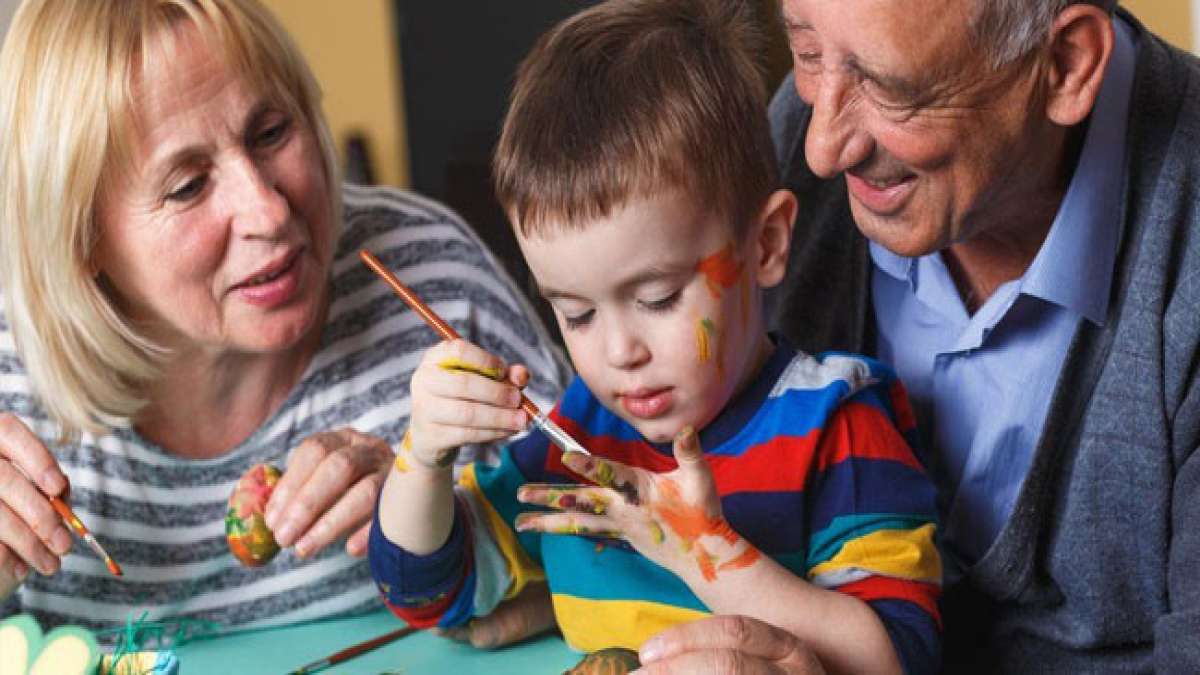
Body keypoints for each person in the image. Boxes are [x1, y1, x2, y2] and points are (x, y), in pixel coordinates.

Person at [368, 1, 942, 673]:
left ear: (766, 244)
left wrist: (707, 550)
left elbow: (898, 658)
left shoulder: (837, 429)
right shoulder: (579, 437)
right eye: (576, 314)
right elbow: (433, 593)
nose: (618, 353)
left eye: (657, 298)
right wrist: (422, 457)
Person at [641, 0, 1200, 673]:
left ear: (1065, 66)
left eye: (891, 90)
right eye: (807, 52)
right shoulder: (807, 129)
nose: (820, 148)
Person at [0, 0, 568, 636]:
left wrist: (435, 520)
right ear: (82, 239)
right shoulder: (9, 378)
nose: (269, 212)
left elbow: (625, 515)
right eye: (187, 185)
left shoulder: (429, 274)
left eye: (271, 133)